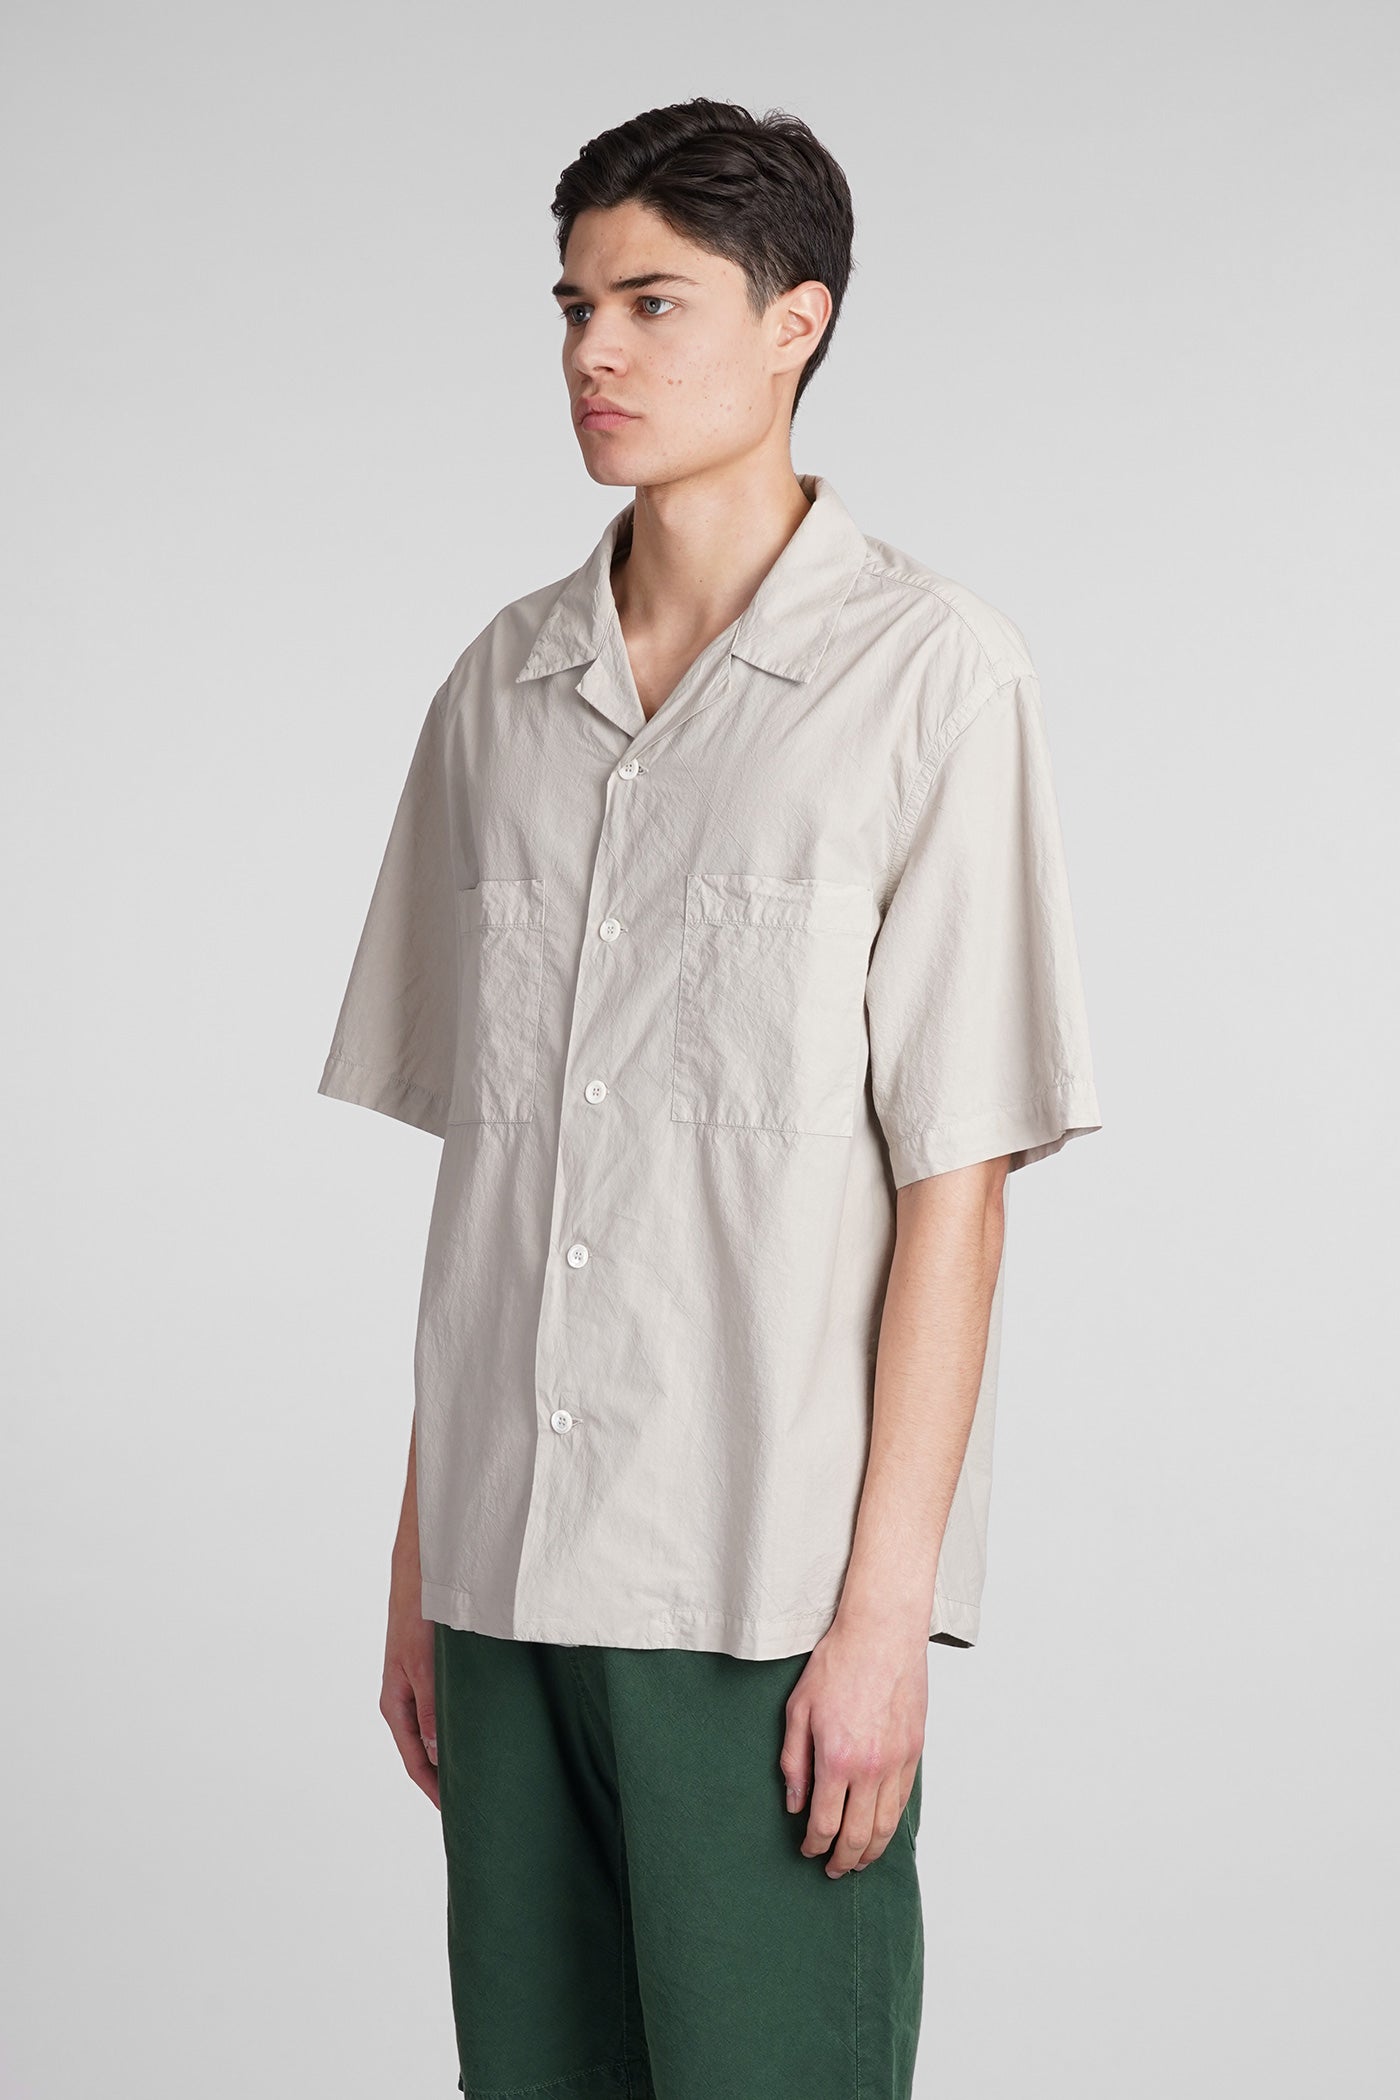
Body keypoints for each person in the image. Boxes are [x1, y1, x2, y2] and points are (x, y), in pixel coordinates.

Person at [317, 96, 1103, 2100]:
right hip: (500, 1582)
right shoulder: (497, 693)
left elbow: (958, 1187)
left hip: (758, 1593)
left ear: (795, 322)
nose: (594, 349)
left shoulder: (932, 678)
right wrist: (420, 1567)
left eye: (652, 302)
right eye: (574, 305)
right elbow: (491, 1188)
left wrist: (884, 1624)